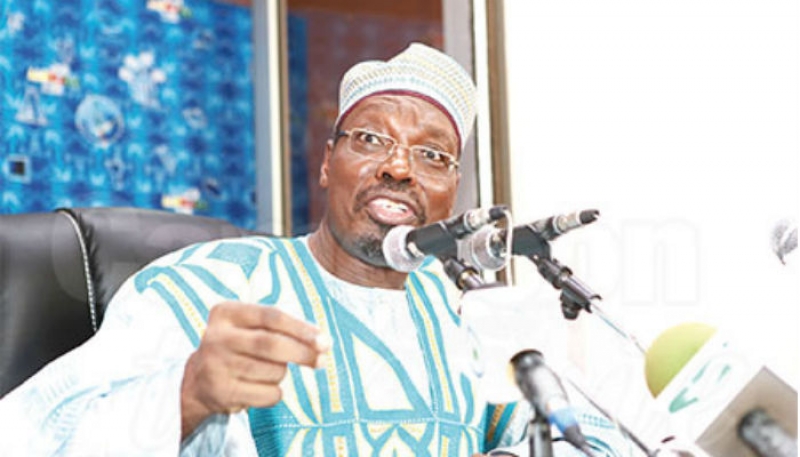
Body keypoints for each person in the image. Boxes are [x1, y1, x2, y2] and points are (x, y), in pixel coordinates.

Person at [0, 43, 631, 456]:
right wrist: (187, 394)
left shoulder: (472, 315)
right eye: (371, 140)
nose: (399, 168)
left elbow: (595, 438)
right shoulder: (205, 285)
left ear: (453, 190)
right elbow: (29, 435)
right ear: (328, 163)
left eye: (432, 154)